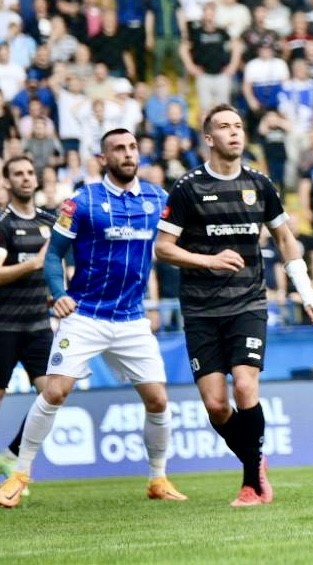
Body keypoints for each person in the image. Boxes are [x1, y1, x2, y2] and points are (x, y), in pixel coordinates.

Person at [0, 130, 185, 508]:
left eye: (132, 147)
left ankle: (157, 478)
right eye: (118, 149)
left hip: (132, 318)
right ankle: (19, 474)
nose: (128, 154)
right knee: (54, 391)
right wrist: (59, 294)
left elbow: (181, 238)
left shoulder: (157, 198)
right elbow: (54, 256)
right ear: (103, 158)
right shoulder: (81, 202)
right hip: (85, 314)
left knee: (158, 401)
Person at [155, 104, 313, 508]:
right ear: (209, 139)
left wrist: (307, 292)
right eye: (224, 127)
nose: (234, 133)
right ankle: (256, 459)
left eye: (239, 126)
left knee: (246, 385)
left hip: (248, 301)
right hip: (199, 308)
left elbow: (286, 239)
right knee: (216, 405)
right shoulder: (187, 188)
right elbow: (163, 248)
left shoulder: (260, 184)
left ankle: (252, 484)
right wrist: (208, 261)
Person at [0, 157, 56, 487]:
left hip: (39, 325)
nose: (25, 178)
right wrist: (33, 264)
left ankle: (12, 455)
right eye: (18, 173)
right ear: (7, 182)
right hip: (4, 325)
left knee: (52, 395)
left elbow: (58, 267)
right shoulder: (4, 224)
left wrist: (56, 294)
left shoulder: (49, 221)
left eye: (29, 173)